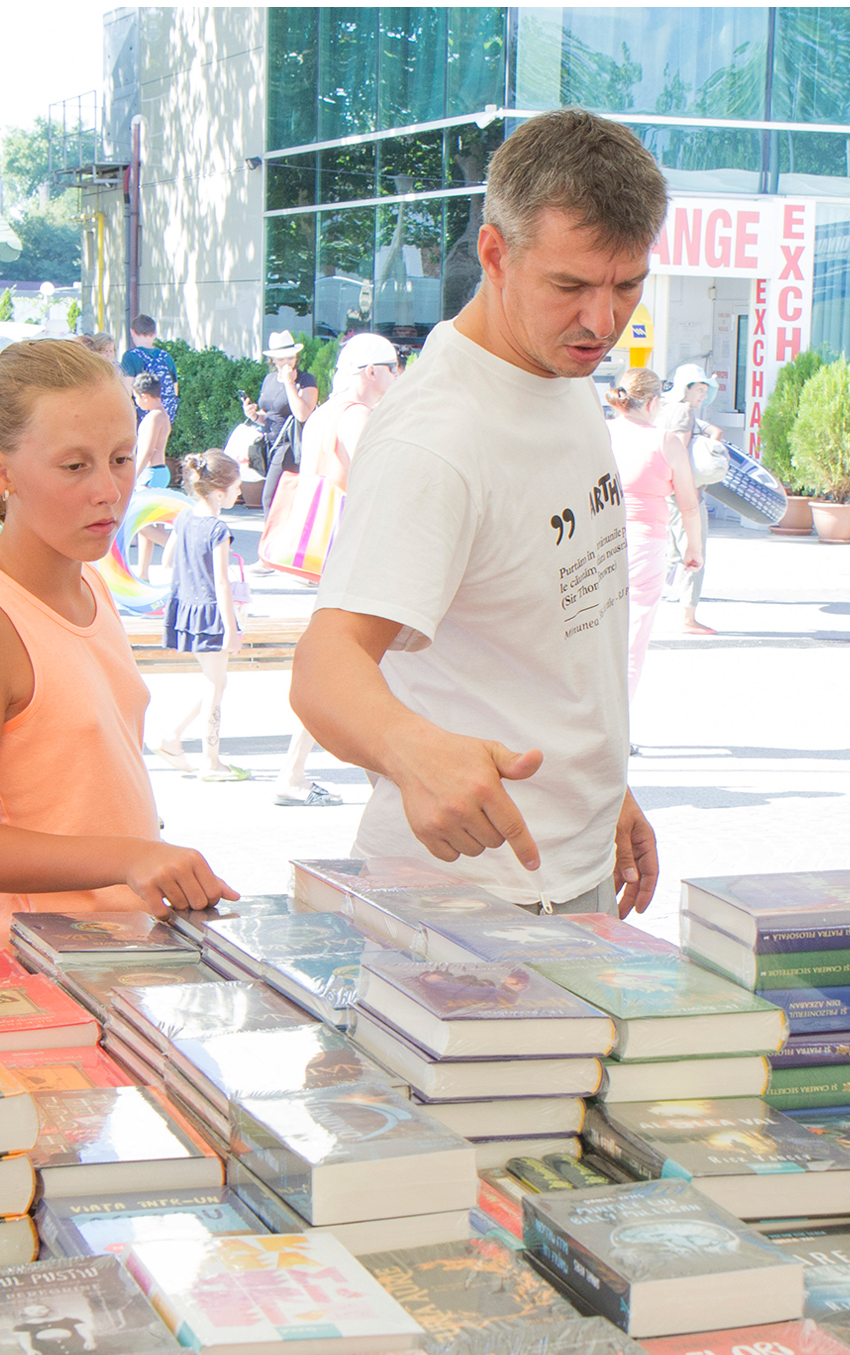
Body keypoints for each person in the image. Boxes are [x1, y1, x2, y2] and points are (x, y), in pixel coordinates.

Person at [290, 108, 667, 919]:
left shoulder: (560, 372)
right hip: (467, 899)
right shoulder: (436, 438)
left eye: (626, 285)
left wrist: (602, 789)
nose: (602, 322)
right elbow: (323, 666)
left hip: (569, 870)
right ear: (494, 254)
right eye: (570, 286)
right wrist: (408, 748)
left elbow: (548, 636)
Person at [0, 339, 237, 951]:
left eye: (121, 459)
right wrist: (131, 857)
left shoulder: (92, 584)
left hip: (112, 950)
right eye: (74, 466)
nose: (109, 490)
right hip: (21, 966)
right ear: (0, 470)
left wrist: (143, 859)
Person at [274, 332, 401, 807]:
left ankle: (307, 772)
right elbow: (380, 479)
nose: (397, 376)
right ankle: (302, 773)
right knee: (360, 665)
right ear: (372, 372)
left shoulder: (323, 413)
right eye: (393, 367)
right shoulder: (357, 416)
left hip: (324, 552)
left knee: (350, 663)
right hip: (355, 553)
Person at [609, 366, 706, 704]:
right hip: (645, 544)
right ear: (652, 403)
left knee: (595, 629)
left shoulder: (601, 433)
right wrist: (694, 549)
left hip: (599, 540)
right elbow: (689, 505)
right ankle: (619, 717)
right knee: (634, 632)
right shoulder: (665, 441)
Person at [151, 450, 249, 782]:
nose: (239, 492)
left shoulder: (184, 518)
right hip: (211, 614)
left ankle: (171, 737)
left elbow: (167, 560)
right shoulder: (218, 529)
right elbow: (221, 582)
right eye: (236, 487)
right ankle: (210, 760)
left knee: (214, 681)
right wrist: (231, 630)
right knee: (215, 686)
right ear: (219, 493)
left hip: (185, 610)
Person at [657, 363, 720, 636]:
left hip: (667, 492)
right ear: (687, 389)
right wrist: (687, 490)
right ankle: (688, 617)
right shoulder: (684, 411)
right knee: (695, 552)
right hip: (685, 495)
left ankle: (659, 598)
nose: (704, 395)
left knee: (671, 552)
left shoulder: (664, 408)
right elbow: (679, 453)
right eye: (700, 389)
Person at [241, 331, 320, 479]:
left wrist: (289, 382)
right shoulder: (269, 379)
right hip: (269, 445)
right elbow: (269, 415)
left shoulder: (305, 380)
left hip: (289, 446)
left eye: (290, 357)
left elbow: (303, 414)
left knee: (269, 492)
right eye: (281, 358)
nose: (287, 362)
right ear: (272, 360)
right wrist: (254, 415)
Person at [130, 372, 176, 580]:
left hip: (150, 473)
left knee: (139, 523)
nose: (136, 402)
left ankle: (181, 546)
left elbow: (147, 451)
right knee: (147, 523)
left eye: (136, 397)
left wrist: (133, 476)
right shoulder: (162, 414)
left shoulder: (153, 417)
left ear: (145, 396)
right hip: (158, 471)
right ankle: (143, 572)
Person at [118, 314, 179, 422]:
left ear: (132, 332)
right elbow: (175, 390)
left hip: (142, 417)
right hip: (165, 416)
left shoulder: (130, 356)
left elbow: (127, 390)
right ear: (154, 334)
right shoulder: (166, 357)